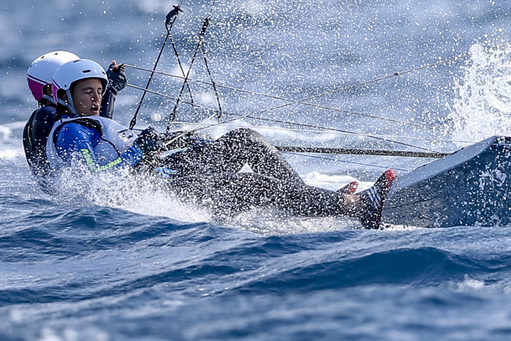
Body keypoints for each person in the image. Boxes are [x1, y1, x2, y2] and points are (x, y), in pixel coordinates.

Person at [42, 58, 395, 226]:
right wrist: (140, 151)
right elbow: (95, 179)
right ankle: (356, 207)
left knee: (243, 140)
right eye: (86, 93)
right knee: (245, 184)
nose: (95, 99)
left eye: (98, 92)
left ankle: (317, 203)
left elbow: (111, 131)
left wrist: (166, 145)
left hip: (168, 171)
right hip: (155, 188)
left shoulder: (92, 121)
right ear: (65, 96)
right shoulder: (71, 133)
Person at [22, 51, 125, 183]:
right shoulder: (46, 115)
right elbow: (96, 132)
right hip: (78, 188)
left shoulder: (50, 117)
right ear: (51, 90)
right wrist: (111, 90)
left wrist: (109, 87)